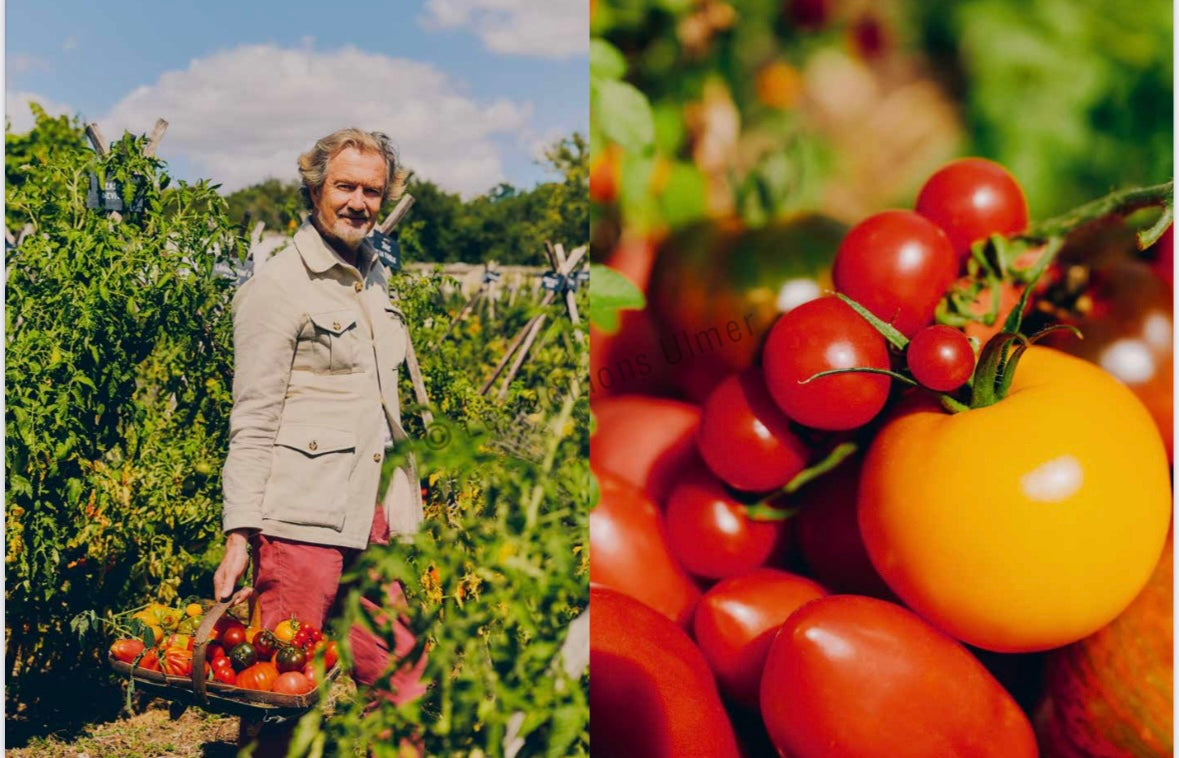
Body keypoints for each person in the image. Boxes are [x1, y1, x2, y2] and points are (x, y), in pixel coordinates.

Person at [213, 128, 428, 755]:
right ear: (314, 190)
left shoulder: (375, 279)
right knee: (283, 690)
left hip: (370, 512)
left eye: (372, 191)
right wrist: (239, 533)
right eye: (345, 186)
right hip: (300, 520)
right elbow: (253, 417)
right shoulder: (279, 287)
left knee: (402, 678)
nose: (359, 202)